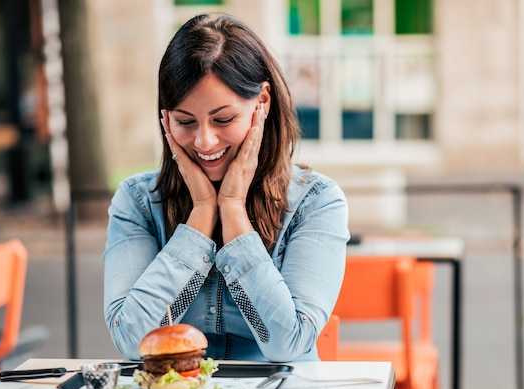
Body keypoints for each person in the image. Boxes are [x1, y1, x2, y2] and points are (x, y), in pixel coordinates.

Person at [103, 14, 349, 362]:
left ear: (262, 103)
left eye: (223, 119)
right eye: (185, 121)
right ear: (165, 118)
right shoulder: (138, 202)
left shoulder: (316, 201)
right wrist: (202, 214)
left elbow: (288, 344)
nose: (204, 141)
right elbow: (131, 340)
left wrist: (232, 209)